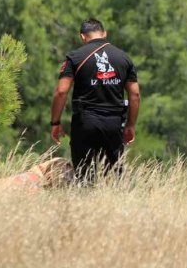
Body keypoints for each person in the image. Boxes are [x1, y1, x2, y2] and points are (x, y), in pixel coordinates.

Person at [50, 18, 140, 181]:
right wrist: (130, 125)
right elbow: (135, 95)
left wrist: (55, 123)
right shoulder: (124, 58)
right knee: (115, 179)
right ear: (104, 33)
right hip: (114, 123)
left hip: (85, 122)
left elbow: (61, 92)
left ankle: (84, 202)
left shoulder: (74, 57)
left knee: (83, 177)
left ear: (82, 37)